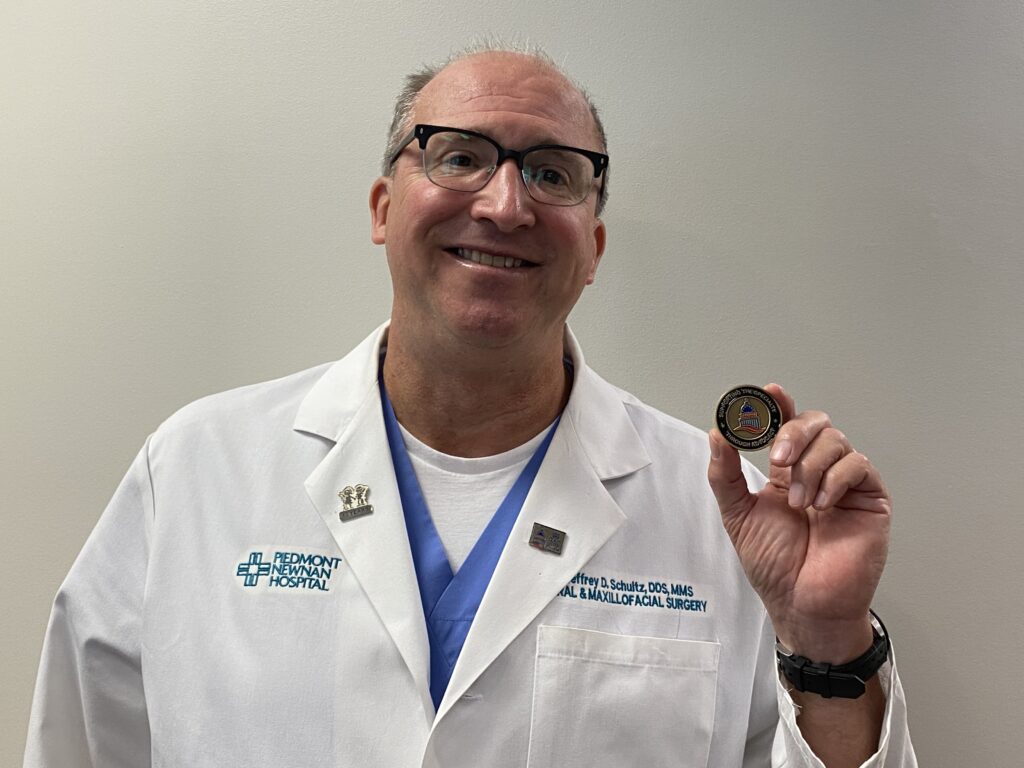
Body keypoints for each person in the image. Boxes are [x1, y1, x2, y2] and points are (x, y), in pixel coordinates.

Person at [23, 44, 916, 767]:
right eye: (458, 156)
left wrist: (826, 642)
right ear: (383, 209)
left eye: (553, 175)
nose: (504, 204)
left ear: (594, 248)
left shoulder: (725, 516)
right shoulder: (196, 470)